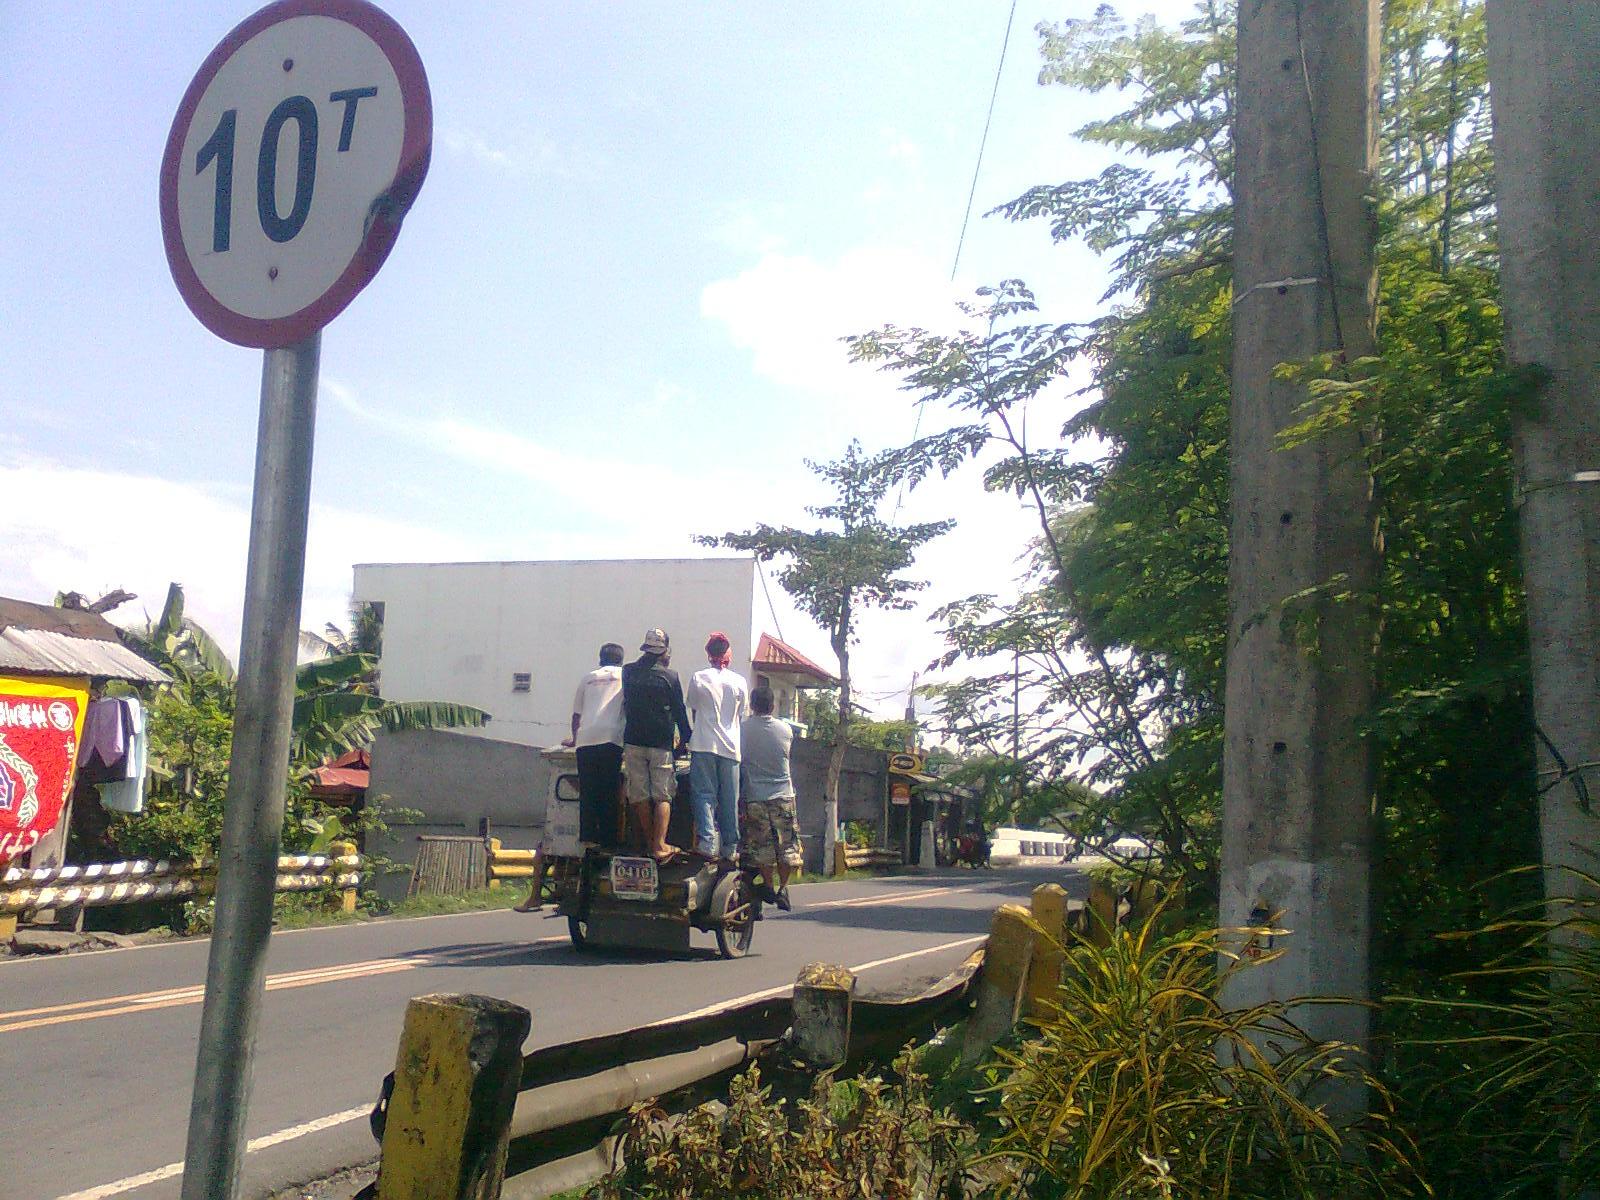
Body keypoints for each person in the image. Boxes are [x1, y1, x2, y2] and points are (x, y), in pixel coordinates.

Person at [621, 627, 692, 861]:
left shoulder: (628, 672)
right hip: (661, 744)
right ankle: (659, 845)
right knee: (662, 795)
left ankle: (650, 839)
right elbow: (680, 711)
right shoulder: (669, 676)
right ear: (664, 651)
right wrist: (686, 737)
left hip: (633, 740)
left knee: (639, 794)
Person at [686, 631, 749, 866]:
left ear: (709, 653)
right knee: (729, 798)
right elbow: (741, 714)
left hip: (703, 744)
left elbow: (694, 709)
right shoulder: (740, 681)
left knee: (704, 795)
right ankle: (730, 847)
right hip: (731, 747)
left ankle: (707, 842)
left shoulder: (698, 677)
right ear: (727, 654)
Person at [740, 684, 802, 910]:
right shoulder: (785, 729)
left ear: (752, 705)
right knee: (786, 846)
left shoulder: (742, 729)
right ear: (773, 705)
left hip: (754, 796)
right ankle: (783, 888)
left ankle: (767, 883)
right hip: (783, 795)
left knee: (761, 847)